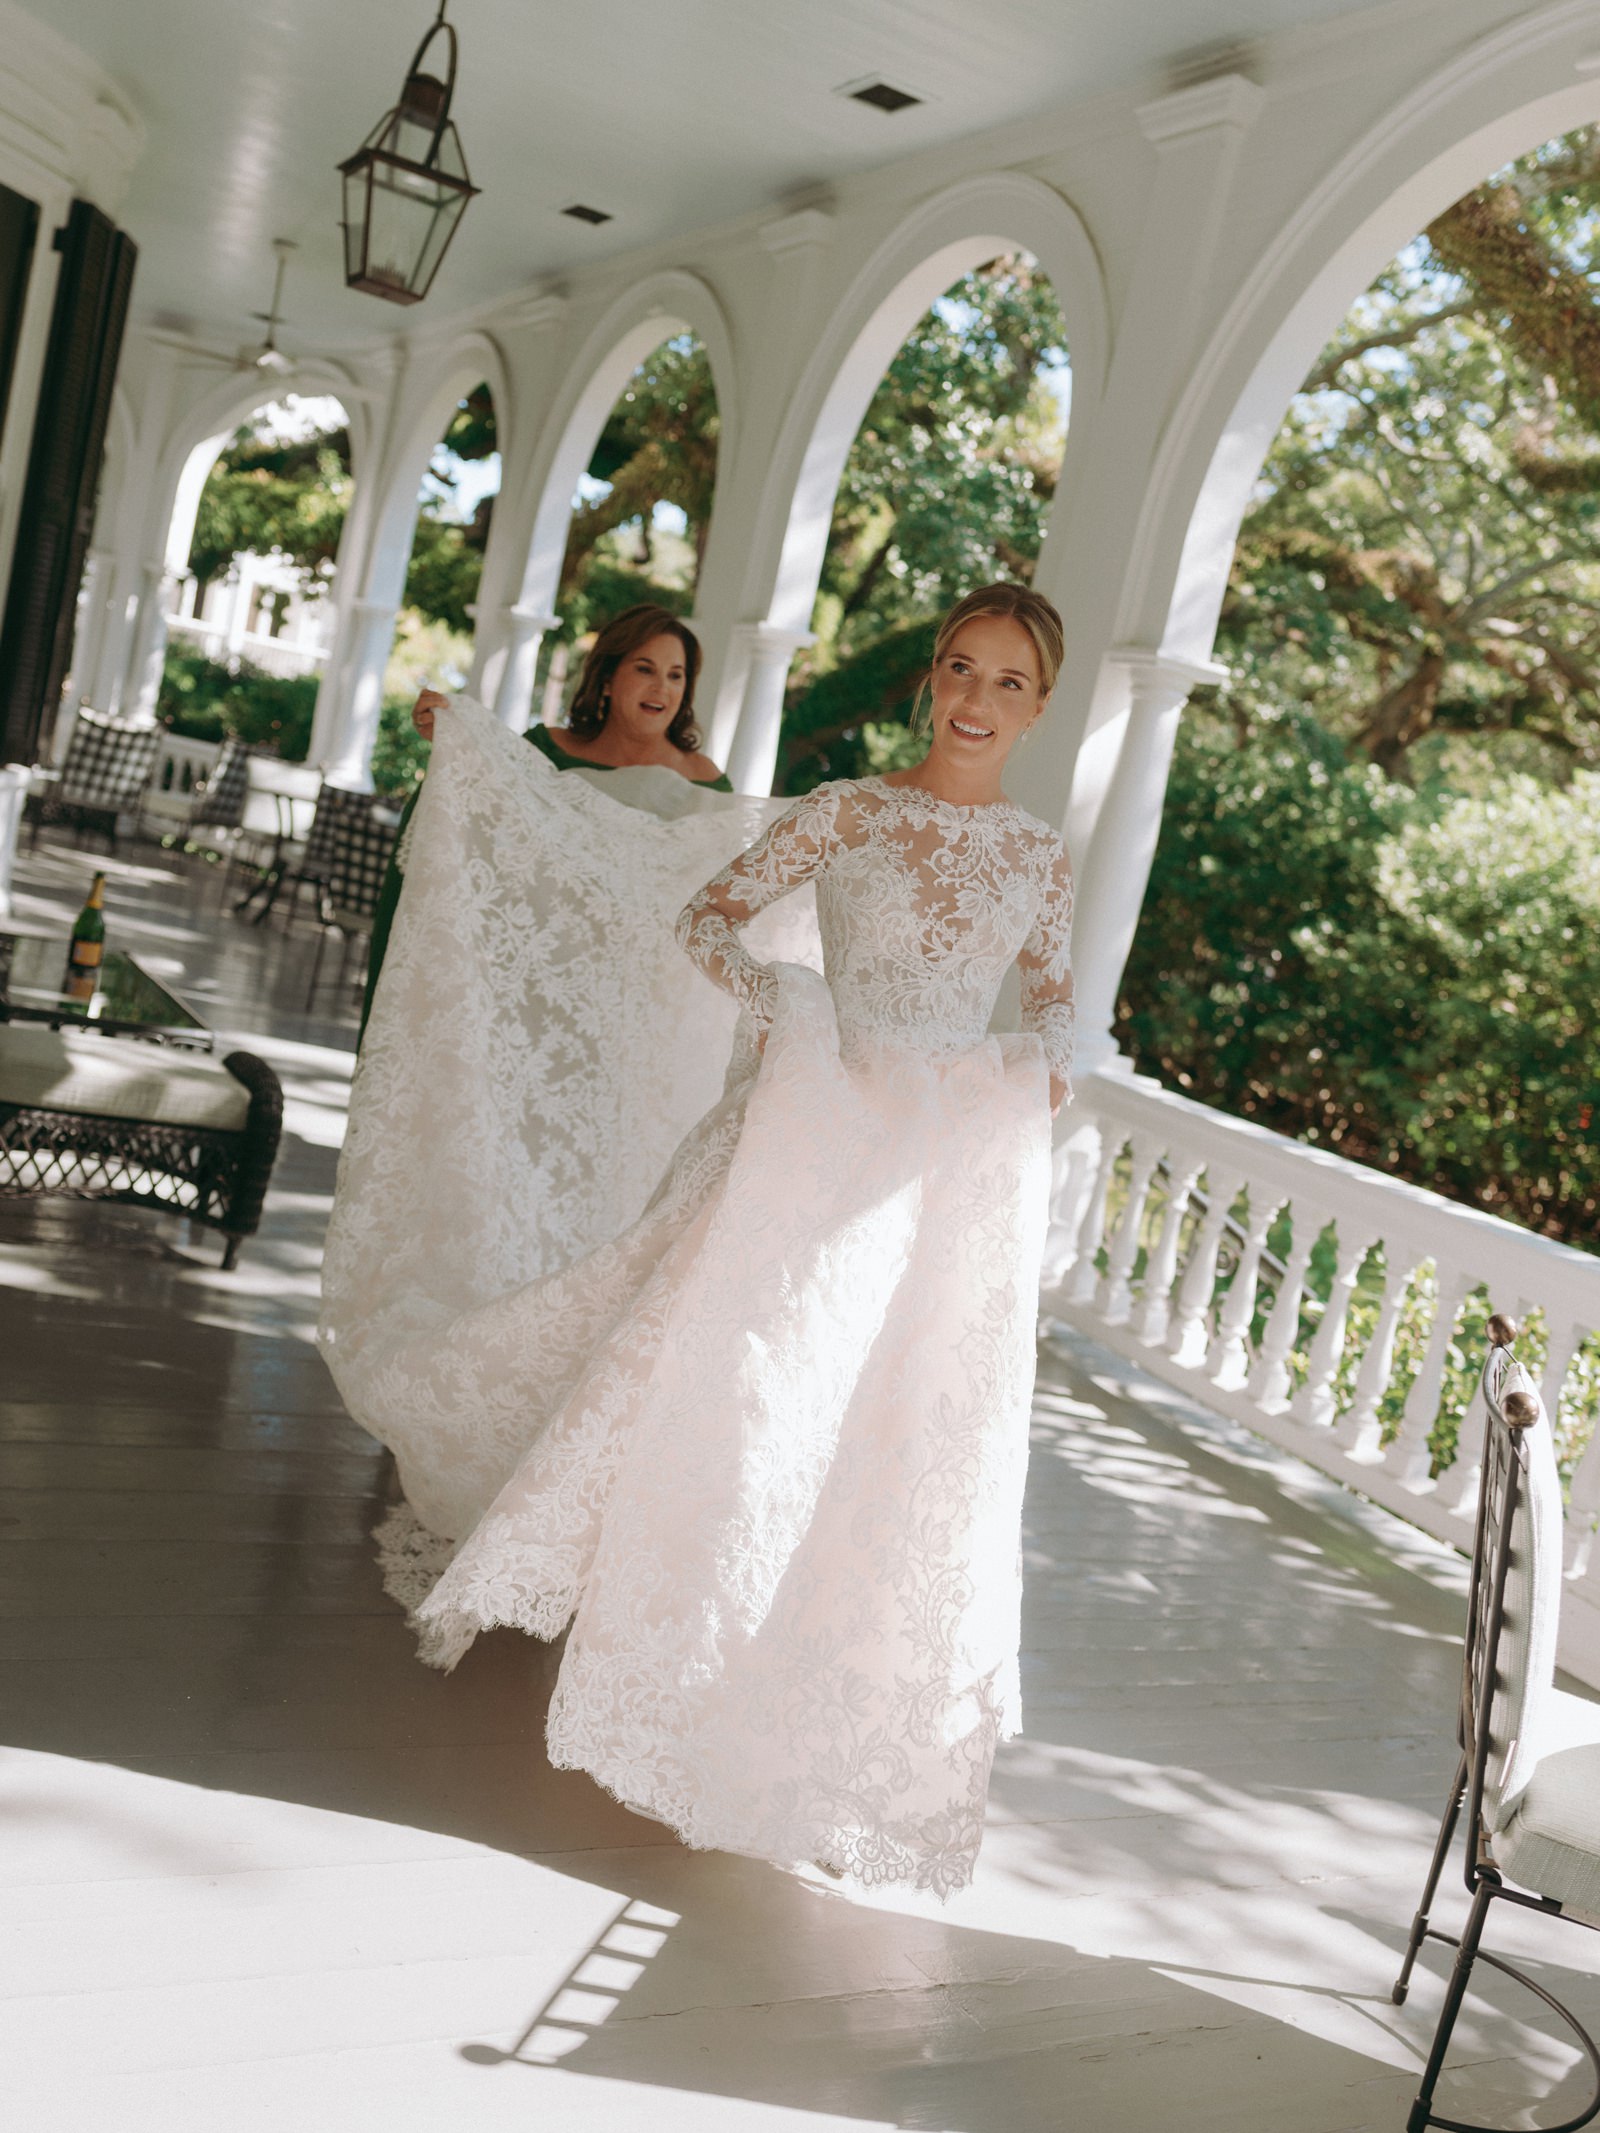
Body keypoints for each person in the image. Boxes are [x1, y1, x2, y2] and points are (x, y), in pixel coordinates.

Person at [361, 581, 1075, 1900]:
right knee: (742, 1401)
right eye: (962, 669)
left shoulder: (1040, 855)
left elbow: (1052, 1005)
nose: (978, 700)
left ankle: (807, 1715)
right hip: (805, 1133)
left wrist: (1043, 1072)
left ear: (1038, 708)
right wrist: (782, 1003)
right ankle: (666, 1666)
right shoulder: (848, 810)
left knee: (879, 1433)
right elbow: (706, 919)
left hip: (926, 1178)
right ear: (932, 677)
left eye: (1010, 683)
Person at [358, 604, 730, 1038]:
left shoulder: (706, 786)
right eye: (644, 669)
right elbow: (475, 818)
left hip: (633, 997)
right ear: (607, 678)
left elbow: (721, 894)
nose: (661, 687)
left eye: (675, 675)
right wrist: (451, 743)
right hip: (532, 978)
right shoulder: (546, 753)